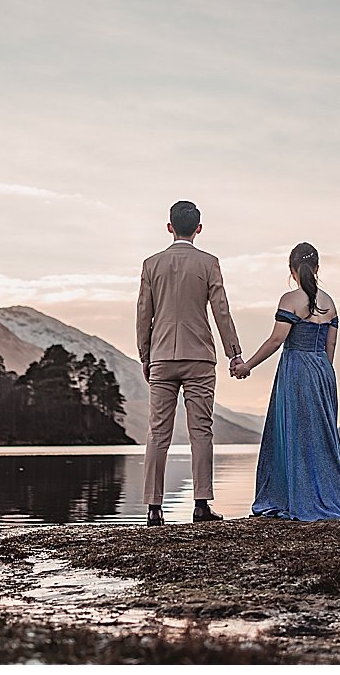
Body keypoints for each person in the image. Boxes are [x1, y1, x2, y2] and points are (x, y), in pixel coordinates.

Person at [233, 242, 340, 521]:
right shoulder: (330, 303)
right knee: (321, 436)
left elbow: (276, 340)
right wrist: (322, 373)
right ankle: (331, 495)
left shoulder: (289, 300)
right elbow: (330, 347)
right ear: (318, 268)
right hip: (322, 371)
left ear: (292, 270)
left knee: (293, 433)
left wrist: (247, 365)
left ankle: (292, 497)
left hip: (296, 369)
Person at [136, 200, 244, 527]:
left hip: (162, 357)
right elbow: (221, 311)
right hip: (199, 356)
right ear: (198, 229)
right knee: (201, 431)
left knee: (157, 432)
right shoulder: (209, 263)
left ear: (169, 227)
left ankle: (154, 508)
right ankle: (200, 505)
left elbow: (144, 314)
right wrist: (233, 352)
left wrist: (146, 355)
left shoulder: (151, 264)